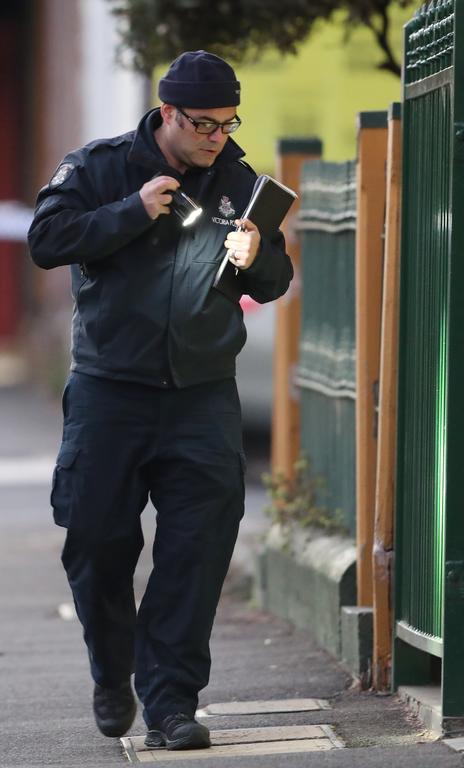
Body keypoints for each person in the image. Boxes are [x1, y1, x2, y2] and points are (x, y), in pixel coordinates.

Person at [28, 51, 293, 751]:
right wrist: (131, 211)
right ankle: (113, 668)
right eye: (203, 124)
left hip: (202, 395)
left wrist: (256, 253)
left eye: (228, 123)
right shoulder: (100, 167)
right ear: (168, 113)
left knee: (197, 552)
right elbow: (47, 241)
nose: (216, 136)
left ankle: (172, 700)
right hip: (110, 390)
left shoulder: (240, 182)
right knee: (97, 542)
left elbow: (273, 282)